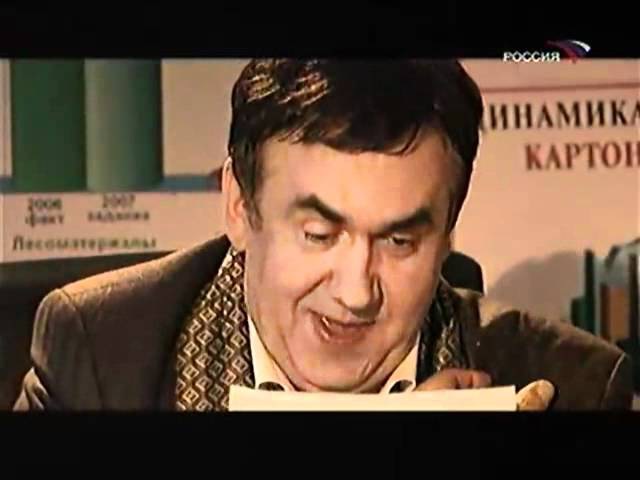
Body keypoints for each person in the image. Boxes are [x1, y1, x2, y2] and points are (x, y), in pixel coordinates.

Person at [13, 59, 633, 411]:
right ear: (239, 206)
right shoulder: (99, 354)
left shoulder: (572, 386)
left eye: (399, 242)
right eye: (318, 233)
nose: (355, 293)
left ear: (448, 235)